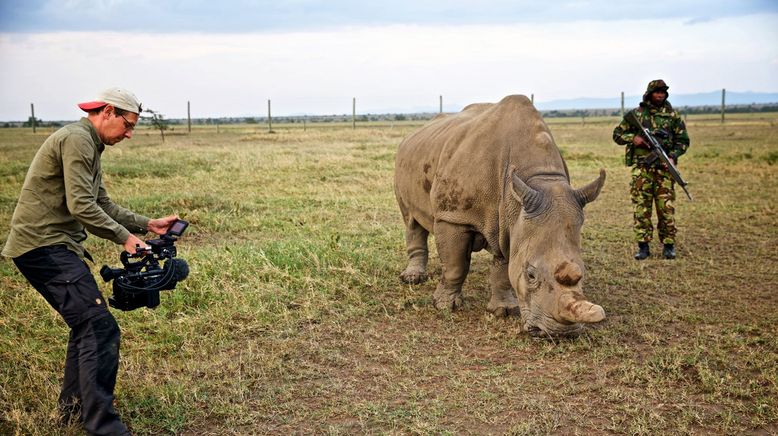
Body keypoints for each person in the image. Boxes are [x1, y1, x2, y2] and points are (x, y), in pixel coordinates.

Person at [2, 87, 180, 435]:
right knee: (99, 326)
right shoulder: (77, 139)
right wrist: (126, 239)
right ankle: (104, 427)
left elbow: (103, 204)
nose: (129, 134)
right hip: (43, 247)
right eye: (128, 125)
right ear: (109, 112)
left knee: (88, 324)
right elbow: (81, 207)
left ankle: (73, 412)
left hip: (54, 246)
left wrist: (147, 225)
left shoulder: (90, 144)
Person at [613, 79, 690, 260]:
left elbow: (683, 141)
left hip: (664, 171)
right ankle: (643, 246)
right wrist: (633, 138)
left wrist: (672, 155)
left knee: (666, 208)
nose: (660, 95)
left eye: (663, 92)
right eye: (657, 92)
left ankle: (669, 245)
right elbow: (617, 134)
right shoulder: (637, 115)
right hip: (642, 170)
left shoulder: (673, 116)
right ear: (649, 94)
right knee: (642, 208)